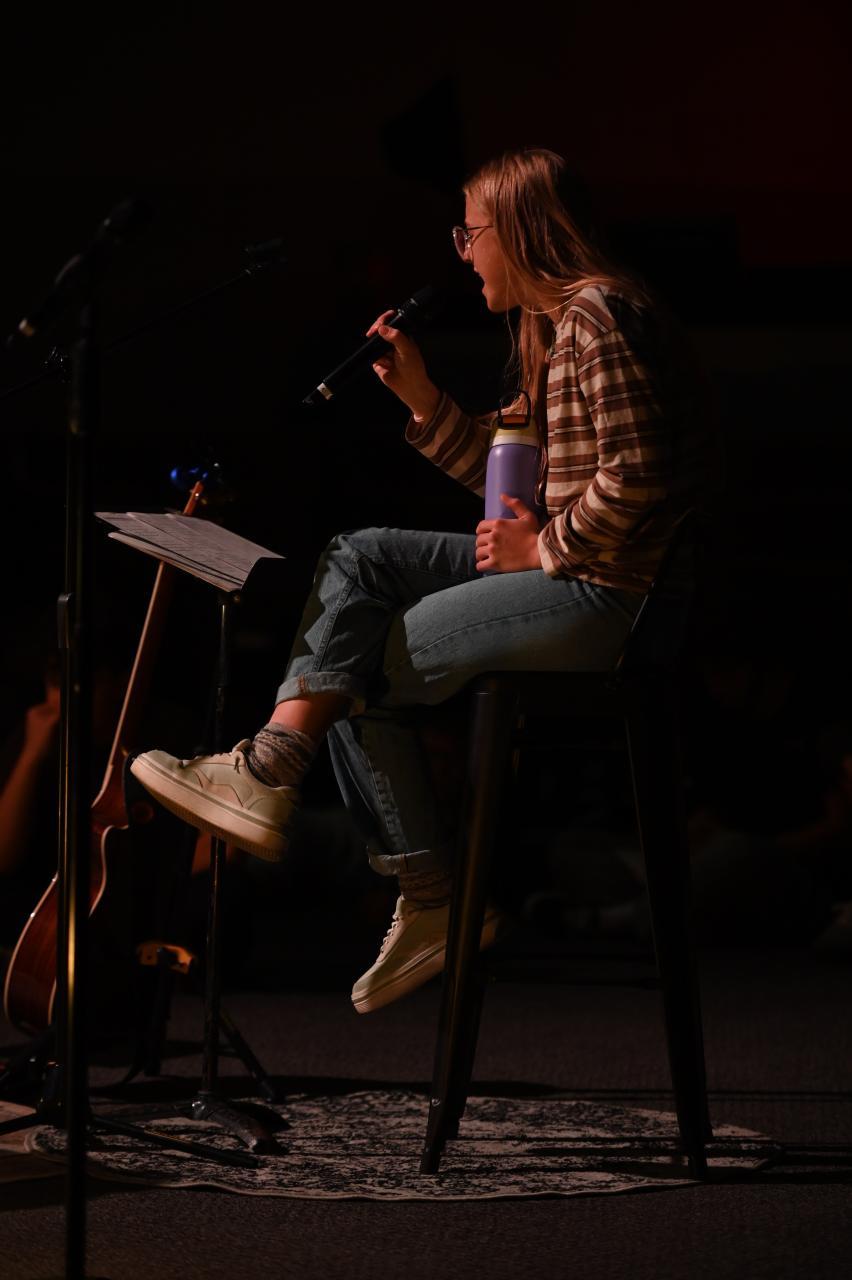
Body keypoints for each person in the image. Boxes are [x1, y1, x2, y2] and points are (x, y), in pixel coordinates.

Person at [130, 147, 706, 1014]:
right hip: (574, 566)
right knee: (359, 557)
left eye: (470, 233)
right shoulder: (553, 328)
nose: (463, 254)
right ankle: (289, 776)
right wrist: (425, 402)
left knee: (356, 661)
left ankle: (390, 862)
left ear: (518, 230)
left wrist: (544, 549)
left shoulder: (597, 316)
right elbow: (516, 494)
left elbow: (643, 474)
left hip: (609, 592)